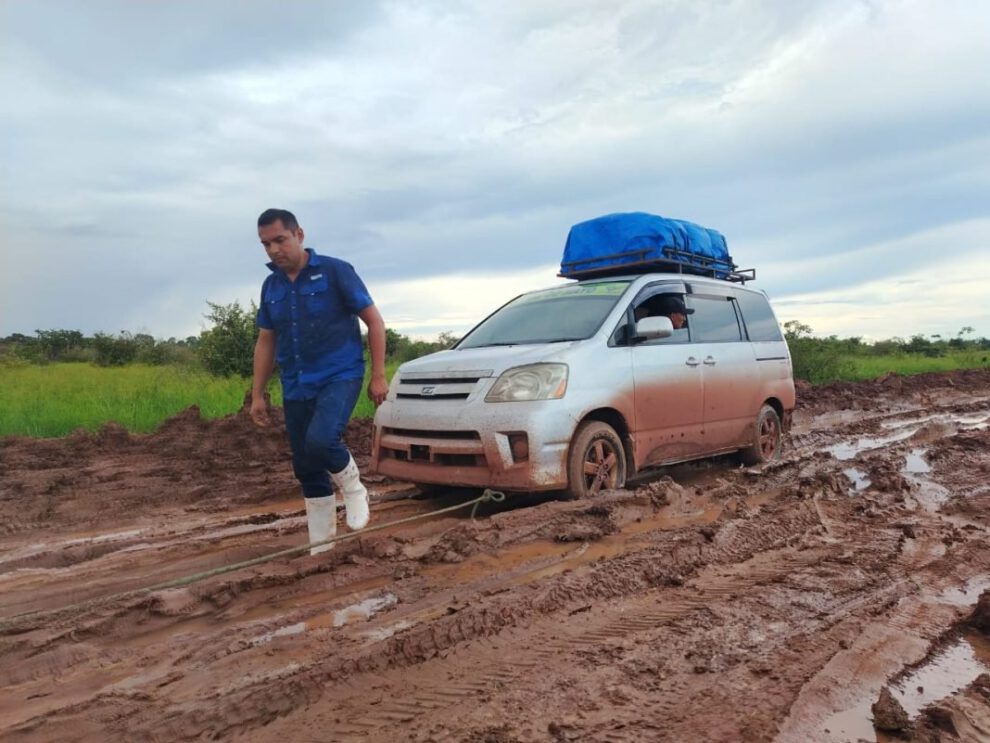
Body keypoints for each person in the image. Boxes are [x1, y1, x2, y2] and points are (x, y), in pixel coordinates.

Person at [250, 208, 388, 556]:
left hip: (339, 374)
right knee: (306, 465)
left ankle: (355, 490)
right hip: (297, 384)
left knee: (322, 440)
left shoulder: (335, 271)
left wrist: (379, 375)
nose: (273, 250)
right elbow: (266, 341)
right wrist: (257, 394)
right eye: (265, 244)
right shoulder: (272, 286)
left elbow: (374, 322)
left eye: (279, 240)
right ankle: (321, 547)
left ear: (299, 234)